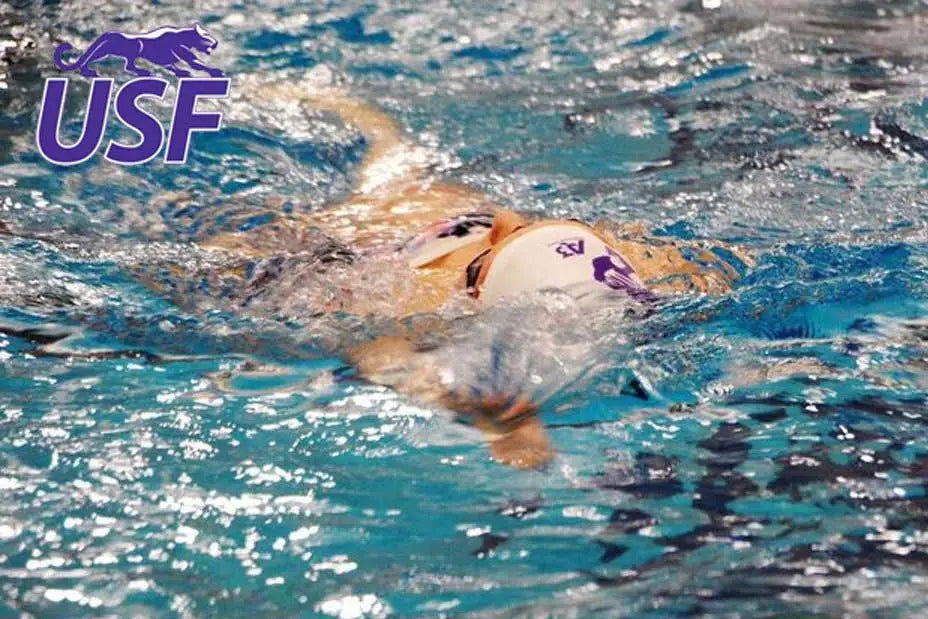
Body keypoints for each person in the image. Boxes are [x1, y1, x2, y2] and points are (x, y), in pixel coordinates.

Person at [199, 79, 752, 469]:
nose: (512, 220)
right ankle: (323, 99)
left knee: (228, 250)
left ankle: (319, 98)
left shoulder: (410, 295)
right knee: (382, 156)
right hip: (398, 216)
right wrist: (492, 412)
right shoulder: (639, 259)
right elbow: (390, 363)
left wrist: (491, 412)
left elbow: (391, 363)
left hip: (397, 222)